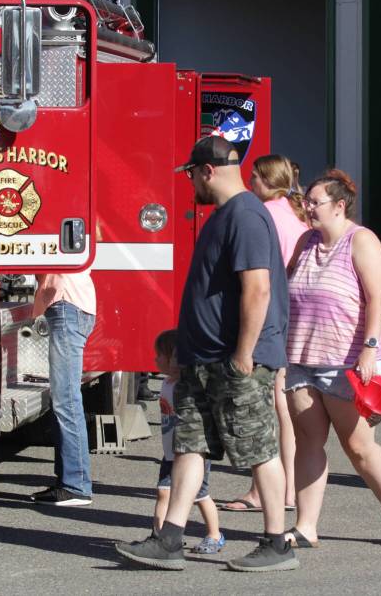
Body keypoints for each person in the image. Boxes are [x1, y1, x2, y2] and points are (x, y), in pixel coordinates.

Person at [116, 135, 297, 572]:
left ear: (207, 171)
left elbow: (258, 288)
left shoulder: (247, 216)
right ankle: (170, 539)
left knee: (257, 449)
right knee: (189, 446)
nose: (190, 183)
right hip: (204, 359)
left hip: (235, 361)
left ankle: (277, 545)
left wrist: (242, 355)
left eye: (192, 174)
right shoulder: (224, 215)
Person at [283, 169, 381, 549]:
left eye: (315, 202)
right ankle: (306, 526)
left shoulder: (362, 241)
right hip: (301, 356)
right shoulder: (306, 241)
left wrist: (369, 349)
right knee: (308, 441)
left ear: (339, 206)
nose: (307, 207)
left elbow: (377, 299)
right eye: (306, 201)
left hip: (347, 362)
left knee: (358, 447)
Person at [220, 154, 306, 513]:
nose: (250, 181)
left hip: (270, 322)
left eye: (255, 176)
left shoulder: (264, 215)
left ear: (268, 181)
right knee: (282, 409)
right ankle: (285, 489)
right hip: (290, 318)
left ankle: (264, 490)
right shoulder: (294, 215)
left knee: (270, 411)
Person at [150, 329, 224, 553]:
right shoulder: (165, 384)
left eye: (165, 356)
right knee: (163, 492)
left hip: (192, 454)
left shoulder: (189, 388)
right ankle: (159, 536)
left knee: (200, 496)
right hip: (170, 454)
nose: (159, 359)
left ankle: (215, 534)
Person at [28, 270, 97, 506]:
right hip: (72, 304)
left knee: (65, 399)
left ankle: (75, 485)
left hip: (67, 304)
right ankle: (68, 482)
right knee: (65, 398)